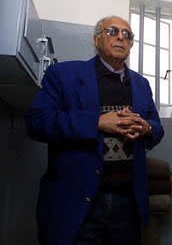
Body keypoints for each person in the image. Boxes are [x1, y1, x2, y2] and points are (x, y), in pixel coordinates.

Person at [25, 16, 164, 245]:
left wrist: (146, 127)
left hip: (128, 203)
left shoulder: (141, 84)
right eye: (112, 31)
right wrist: (97, 122)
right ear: (97, 40)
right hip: (77, 201)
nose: (121, 37)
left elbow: (157, 128)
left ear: (131, 45)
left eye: (127, 34)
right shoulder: (63, 75)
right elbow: (37, 121)